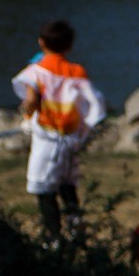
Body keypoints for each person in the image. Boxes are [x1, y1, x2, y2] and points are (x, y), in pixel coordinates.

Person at [13, 20, 105, 238]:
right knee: (67, 184)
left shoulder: (36, 71)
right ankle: (75, 225)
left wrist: (26, 112)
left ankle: (53, 237)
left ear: (41, 43)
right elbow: (95, 103)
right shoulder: (77, 72)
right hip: (70, 139)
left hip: (47, 140)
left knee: (44, 189)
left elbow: (32, 99)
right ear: (70, 46)